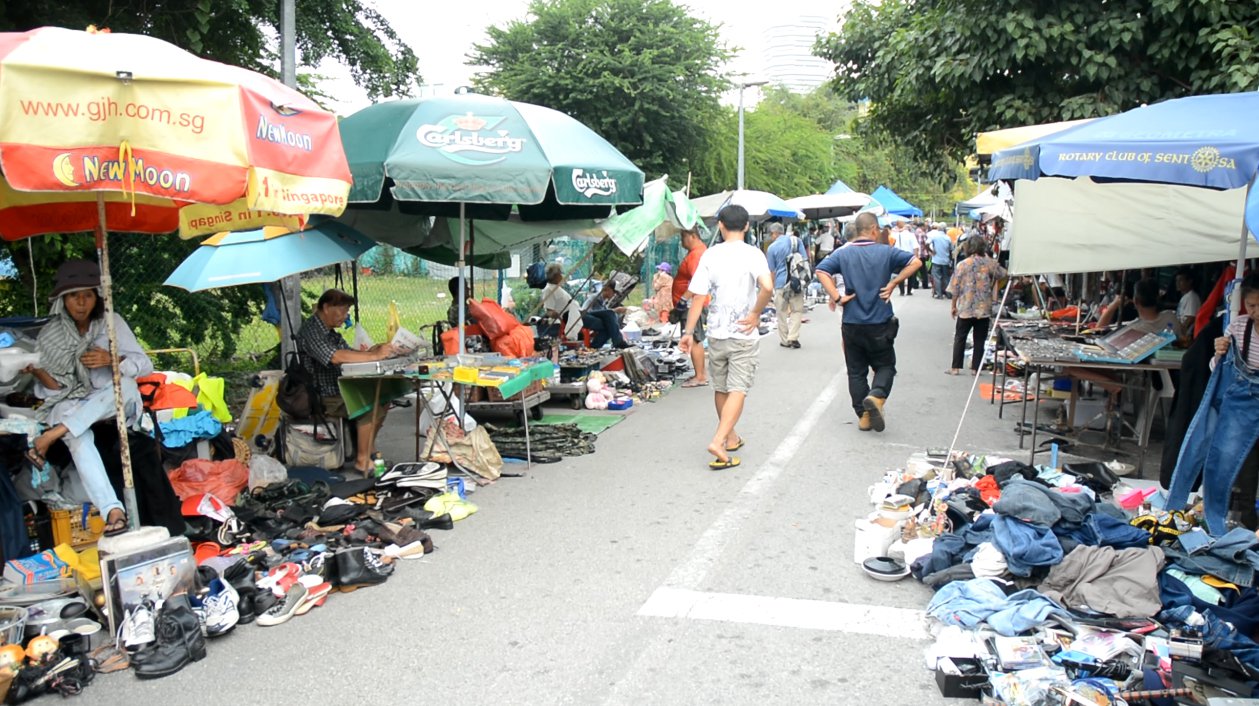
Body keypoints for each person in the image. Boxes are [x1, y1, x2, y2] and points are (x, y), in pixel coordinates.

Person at [24, 260, 154, 535]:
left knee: (127, 386)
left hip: (113, 404)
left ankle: (52, 434)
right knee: (76, 433)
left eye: (87, 295)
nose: (81, 302)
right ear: (63, 300)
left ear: (97, 297)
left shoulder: (111, 322)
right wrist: (37, 371)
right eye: (74, 296)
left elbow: (144, 365)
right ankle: (113, 510)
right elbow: (57, 391)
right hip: (77, 405)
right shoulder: (52, 334)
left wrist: (112, 359)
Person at [679, 205, 773, 469]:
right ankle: (719, 440)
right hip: (743, 333)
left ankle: (731, 437)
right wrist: (755, 313)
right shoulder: (754, 254)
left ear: (720, 225)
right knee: (738, 388)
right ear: (746, 227)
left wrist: (688, 333)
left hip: (716, 333)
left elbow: (698, 297)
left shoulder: (710, 255)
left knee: (721, 388)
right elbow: (767, 286)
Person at [814, 212, 921, 432]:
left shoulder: (842, 254)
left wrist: (837, 297)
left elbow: (821, 270)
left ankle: (863, 416)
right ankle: (877, 395)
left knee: (856, 370)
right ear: (873, 229)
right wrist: (894, 283)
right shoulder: (886, 252)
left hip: (851, 321)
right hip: (879, 321)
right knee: (885, 365)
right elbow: (916, 262)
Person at [297, 288, 400, 475]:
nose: (345, 316)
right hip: (324, 394)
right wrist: (373, 356)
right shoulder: (312, 330)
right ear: (327, 307)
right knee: (371, 403)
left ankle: (368, 449)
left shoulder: (331, 333)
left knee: (384, 399)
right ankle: (362, 460)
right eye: (343, 311)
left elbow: (349, 352)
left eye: (347, 312)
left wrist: (372, 350)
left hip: (340, 388)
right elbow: (335, 357)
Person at [947, 237, 1007, 375]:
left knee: (960, 337)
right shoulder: (990, 263)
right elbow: (1003, 274)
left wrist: (953, 305)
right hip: (983, 307)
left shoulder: (962, 264)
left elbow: (955, 287)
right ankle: (976, 369)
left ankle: (955, 368)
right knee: (979, 339)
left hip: (966, 307)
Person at [540, 264, 629, 349]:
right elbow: (549, 310)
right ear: (556, 275)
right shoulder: (548, 290)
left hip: (579, 312)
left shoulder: (557, 288)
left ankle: (616, 342)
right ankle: (599, 346)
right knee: (609, 325)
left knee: (610, 313)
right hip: (572, 316)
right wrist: (559, 317)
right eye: (561, 274)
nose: (563, 276)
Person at [673, 228, 709, 388]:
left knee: (693, 338)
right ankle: (699, 374)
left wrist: (682, 301)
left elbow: (697, 283)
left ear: (693, 236)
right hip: (692, 303)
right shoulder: (700, 252)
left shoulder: (696, 254)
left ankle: (700, 376)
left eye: (683, 237)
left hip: (692, 305)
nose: (681, 241)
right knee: (694, 338)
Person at [765, 222, 809, 348]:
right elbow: (804, 260)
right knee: (797, 310)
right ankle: (793, 336)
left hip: (780, 283)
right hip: (796, 282)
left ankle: (784, 340)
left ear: (774, 233)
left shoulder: (771, 248)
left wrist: (771, 287)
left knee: (781, 312)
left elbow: (772, 271)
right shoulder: (796, 241)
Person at [892, 221, 919, 296]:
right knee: (910, 274)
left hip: (898, 256)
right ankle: (909, 291)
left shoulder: (894, 235)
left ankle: (902, 291)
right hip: (909, 256)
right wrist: (916, 257)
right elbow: (915, 247)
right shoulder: (911, 235)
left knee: (901, 274)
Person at [927, 223, 953, 298]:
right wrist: (950, 260)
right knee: (946, 277)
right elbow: (951, 250)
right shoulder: (947, 238)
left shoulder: (934, 237)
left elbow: (927, 243)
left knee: (937, 277)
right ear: (945, 229)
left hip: (936, 260)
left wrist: (931, 251)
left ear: (938, 229)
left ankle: (939, 294)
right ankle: (948, 293)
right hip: (945, 260)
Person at [1175, 268, 1202, 336]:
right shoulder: (1185, 296)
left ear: (1190, 281)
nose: (1177, 283)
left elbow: (1190, 319)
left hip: (1186, 336)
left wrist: (1180, 333)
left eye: (1180, 280)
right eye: (1177, 281)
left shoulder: (1192, 297)